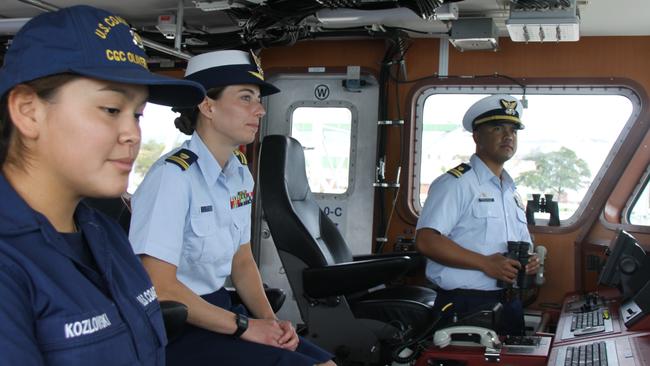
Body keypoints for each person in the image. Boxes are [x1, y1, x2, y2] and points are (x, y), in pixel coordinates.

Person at [0, 5, 205, 366]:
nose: (133, 134)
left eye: (138, 114)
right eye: (111, 109)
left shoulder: (105, 234)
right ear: (28, 111)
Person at [129, 50, 336, 366]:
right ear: (207, 106)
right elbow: (159, 287)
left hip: (221, 310)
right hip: (176, 326)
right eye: (246, 98)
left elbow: (241, 261)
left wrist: (271, 324)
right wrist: (245, 327)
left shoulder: (239, 173)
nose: (260, 110)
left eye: (257, 99)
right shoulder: (172, 177)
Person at [415, 94, 540, 336]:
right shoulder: (456, 184)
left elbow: (522, 243)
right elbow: (427, 240)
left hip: (509, 302)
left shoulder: (511, 191)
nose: (508, 136)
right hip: (466, 304)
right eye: (497, 128)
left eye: (513, 131)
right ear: (477, 136)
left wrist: (531, 260)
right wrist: (485, 264)